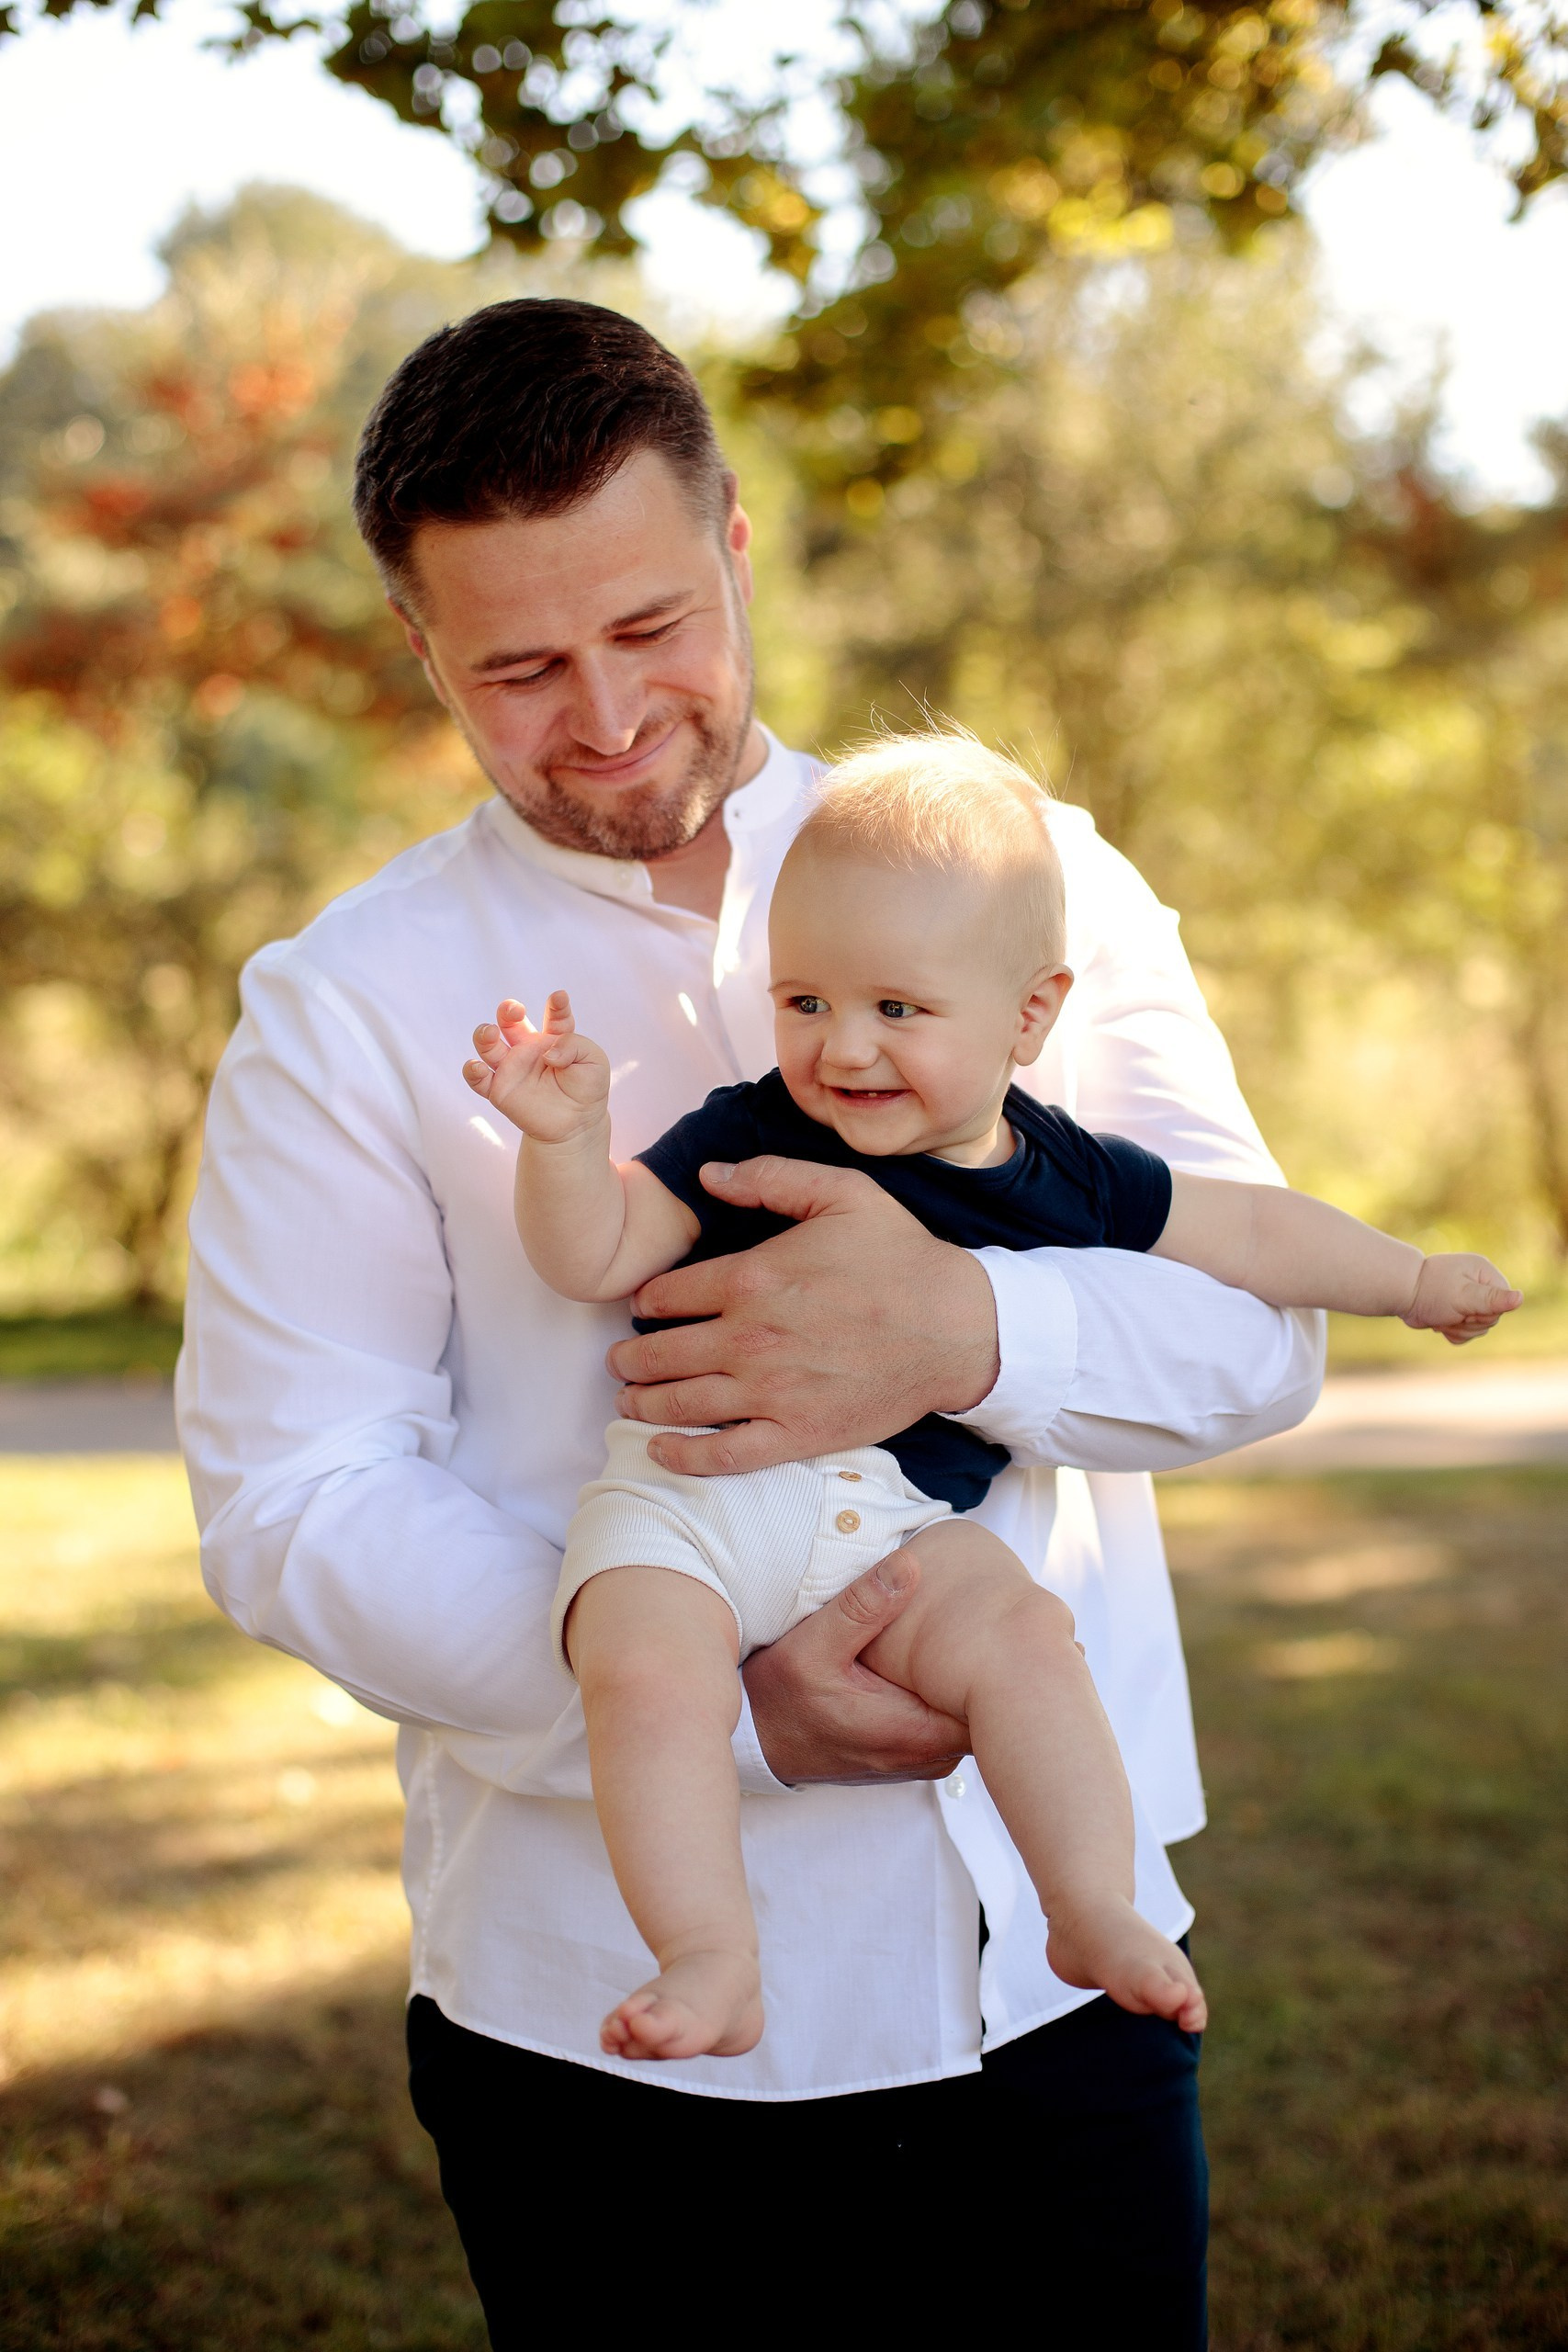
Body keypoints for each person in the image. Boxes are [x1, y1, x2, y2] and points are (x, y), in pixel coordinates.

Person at [180, 299, 1331, 2347]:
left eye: (647, 625)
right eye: (519, 669)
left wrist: (963, 1328)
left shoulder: (1036, 876)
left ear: (731, 551)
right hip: (595, 2035)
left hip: (1051, 1987)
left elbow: (1252, 1335)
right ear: (420, 654)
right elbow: (293, 1496)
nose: (606, 717)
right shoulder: (341, 1000)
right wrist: (729, 1703)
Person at [463, 732, 1517, 2068]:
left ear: (1028, 1015)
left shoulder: (1070, 1172)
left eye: (899, 1010)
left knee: (1025, 1634)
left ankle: (1089, 1910)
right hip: (691, 1497)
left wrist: (1413, 1278)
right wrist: (562, 1146)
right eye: (806, 1002)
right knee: (642, 1670)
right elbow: (596, 1253)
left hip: (897, 1527)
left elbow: (1252, 1239)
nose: (843, 1048)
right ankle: (710, 1955)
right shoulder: (746, 1129)